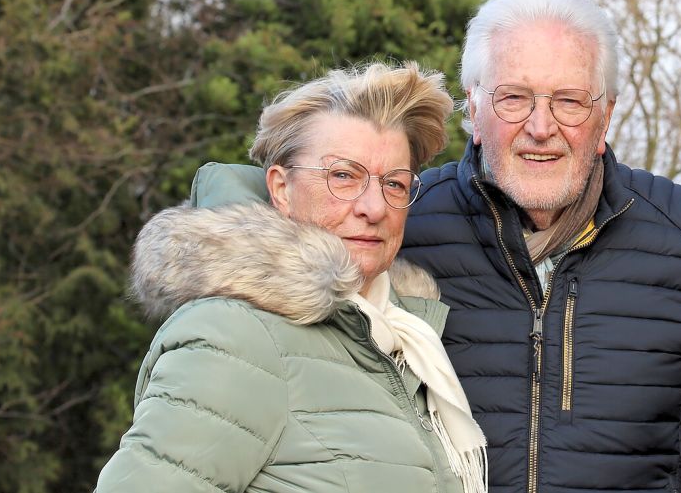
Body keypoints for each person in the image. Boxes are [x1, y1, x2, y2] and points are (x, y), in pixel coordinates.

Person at [398, 0, 681, 492]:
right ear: (474, 108)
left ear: (605, 117)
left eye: (570, 101)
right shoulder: (403, 222)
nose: (541, 127)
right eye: (514, 97)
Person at [95, 62, 487, 493]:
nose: (374, 208)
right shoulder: (236, 338)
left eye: (394, 184)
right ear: (281, 189)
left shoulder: (402, 337)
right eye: (343, 176)